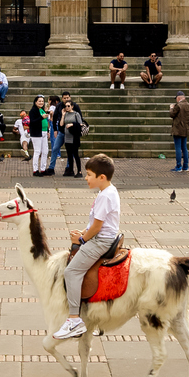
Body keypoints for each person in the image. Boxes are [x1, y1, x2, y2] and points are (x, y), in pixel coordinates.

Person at [53, 153, 122, 341]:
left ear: (101, 177)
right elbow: (95, 223)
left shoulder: (105, 196)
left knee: (71, 272)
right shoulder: (108, 191)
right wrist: (83, 233)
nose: (86, 178)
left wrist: (82, 240)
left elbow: (98, 226)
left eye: (89, 174)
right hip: (101, 236)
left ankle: (74, 319)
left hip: (101, 241)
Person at [61, 96, 87, 176]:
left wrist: (72, 124)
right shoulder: (65, 114)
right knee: (69, 155)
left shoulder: (76, 114)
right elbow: (61, 124)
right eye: (66, 106)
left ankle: (79, 171)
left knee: (75, 154)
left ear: (72, 106)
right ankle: (70, 170)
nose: (67, 107)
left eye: (68, 106)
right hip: (67, 137)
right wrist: (63, 115)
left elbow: (80, 124)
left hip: (74, 137)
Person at [170, 90, 189, 172]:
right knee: (184, 148)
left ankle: (178, 166)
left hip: (178, 129)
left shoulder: (178, 105)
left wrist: (171, 108)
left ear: (178, 98)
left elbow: (172, 115)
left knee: (178, 148)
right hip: (186, 129)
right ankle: (186, 166)